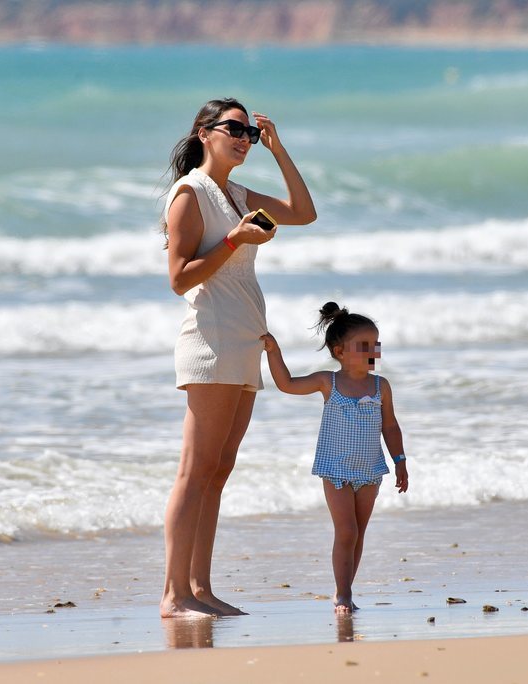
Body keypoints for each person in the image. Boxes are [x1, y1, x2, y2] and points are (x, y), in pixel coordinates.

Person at [160, 98, 317, 618]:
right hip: (210, 341)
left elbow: (304, 212)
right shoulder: (190, 194)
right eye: (234, 128)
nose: (244, 137)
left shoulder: (236, 193)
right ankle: (173, 594)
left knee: (219, 469)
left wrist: (279, 148)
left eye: (249, 130)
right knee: (195, 469)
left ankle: (200, 589)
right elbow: (180, 278)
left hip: (245, 340)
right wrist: (234, 238)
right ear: (204, 133)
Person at [261, 302, 409, 614]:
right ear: (339, 351)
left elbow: (391, 426)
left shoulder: (381, 386)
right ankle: (342, 595)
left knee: (359, 535)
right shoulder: (329, 382)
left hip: (370, 472)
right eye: (364, 346)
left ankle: (346, 589)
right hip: (336, 471)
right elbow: (287, 385)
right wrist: (273, 352)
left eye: (375, 345)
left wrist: (400, 460)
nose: (373, 351)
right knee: (347, 532)